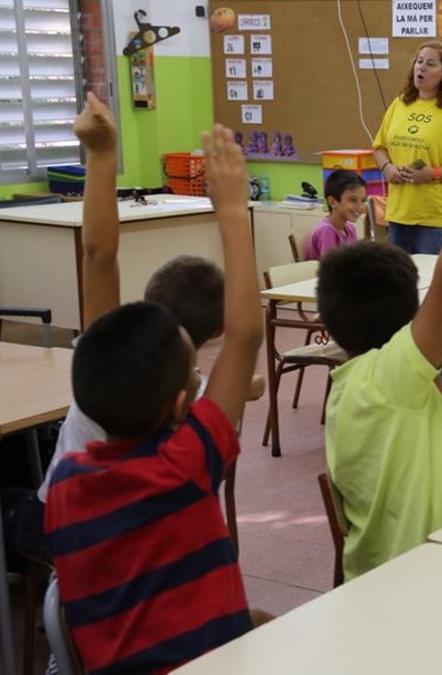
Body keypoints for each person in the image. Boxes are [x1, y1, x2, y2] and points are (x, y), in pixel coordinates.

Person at [43, 122, 265, 673]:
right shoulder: (186, 462)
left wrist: (101, 156)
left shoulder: (68, 480)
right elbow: (246, 335)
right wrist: (233, 211)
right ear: (181, 407)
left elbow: (97, 259)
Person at [319, 95, 442, 580]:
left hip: (391, 579)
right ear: (410, 316)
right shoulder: (393, 375)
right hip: (412, 587)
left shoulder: (349, 385)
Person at [372, 40, 442, 253]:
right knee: (400, 283)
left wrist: (432, 174)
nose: (421, 67)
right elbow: (379, 147)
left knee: (433, 284)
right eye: (419, 61)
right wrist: (387, 169)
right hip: (399, 216)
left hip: (438, 220)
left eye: (430, 64)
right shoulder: (400, 104)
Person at [306, 169, 365, 261]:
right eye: (353, 200)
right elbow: (332, 270)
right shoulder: (326, 231)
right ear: (333, 202)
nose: (360, 206)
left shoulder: (350, 228)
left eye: (362, 200)